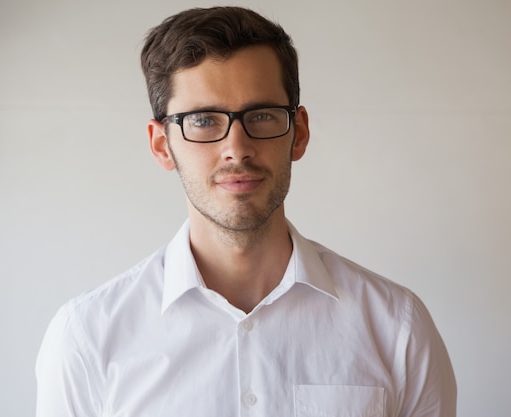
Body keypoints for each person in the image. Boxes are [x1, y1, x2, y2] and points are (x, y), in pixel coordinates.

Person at [35, 6, 456, 417]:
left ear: (299, 132)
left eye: (262, 115)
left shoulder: (398, 328)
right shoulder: (86, 337)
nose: (236, 148)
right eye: (203, 120)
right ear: (162, 145)